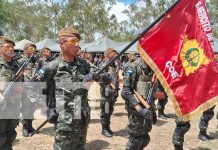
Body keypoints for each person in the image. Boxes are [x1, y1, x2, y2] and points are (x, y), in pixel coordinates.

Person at [30, 26, 110, 149]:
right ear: (62, 44)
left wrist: (100, 77)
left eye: (78, 41)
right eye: (73, 41)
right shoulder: (52, 67)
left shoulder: (83, 63)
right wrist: (46, 109)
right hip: (64, 124)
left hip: (82, 119)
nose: (77, 44)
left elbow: (103, 75)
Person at [121, 58, 165, 150]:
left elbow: (151, 90)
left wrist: (153, 109)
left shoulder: (152, 67)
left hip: (148, 109)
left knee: (144, 138)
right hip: (136, 110)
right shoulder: (133, 67)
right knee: (135, 140)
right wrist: (140, 109)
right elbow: (125, 92)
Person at [0, 36, 20, 149]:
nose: (11, 49)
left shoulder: (16, 66)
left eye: (12, 47)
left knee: (11, 133)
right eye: (7, 46)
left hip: (13, 107)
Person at [18, 43, 38, 137]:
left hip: (35, 87)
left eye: (34, 48)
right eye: (31, 48)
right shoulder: (21, 61)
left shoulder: (36, 60)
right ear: (25, 50)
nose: (33, 50)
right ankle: (25, 127)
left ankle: (30, 126)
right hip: (25, 88)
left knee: (32, 107)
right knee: (26, 108)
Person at [98, 48, 119, 137]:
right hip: (106, 93)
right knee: (105, 111)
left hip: (113, 92)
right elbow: (99, 79)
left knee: (110, 110)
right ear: (108, 54)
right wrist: (107, 87)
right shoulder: (103, 64)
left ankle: (107, 127)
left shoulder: (113, 64)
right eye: (114, 54)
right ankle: (104, 129)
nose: (116, 56)